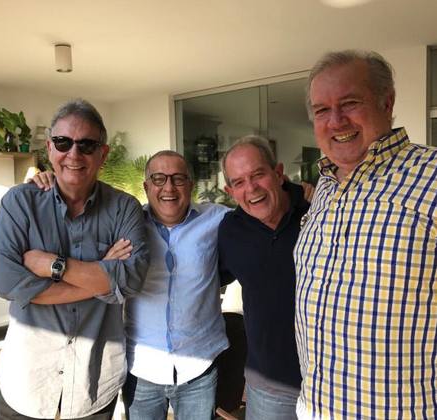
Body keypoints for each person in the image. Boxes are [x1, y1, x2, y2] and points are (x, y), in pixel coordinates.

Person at [31, 150, 230, 419]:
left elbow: (257, 216)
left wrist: (291, 191)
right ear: (146, 187)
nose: (168, 188)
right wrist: (51, 183)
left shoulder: (217, 219)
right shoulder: (125, 225)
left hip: (199, 364)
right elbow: (77, 215)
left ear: (190, 185)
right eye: (158, 179)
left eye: (178, 179)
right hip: (141, 365)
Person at [295, 50, 437, 419]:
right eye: (321, 110)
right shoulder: (325, 187)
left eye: (350, 103)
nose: (335, 120)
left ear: (386, 102)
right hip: (314, 408)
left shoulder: (432, 177)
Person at [0, 98, 149, 419]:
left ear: (103, 154)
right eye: (63, 142)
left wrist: (51, 265)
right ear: (49, 148)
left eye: (87, 145)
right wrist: (103, 276)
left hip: (94, 381)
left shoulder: (124, 208)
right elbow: (7, 283)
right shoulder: (20, 203)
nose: (74, 153)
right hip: (27, 381)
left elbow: (131, 279)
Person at [218, 135, 310, 420]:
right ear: (230, 191)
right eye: (239, 182)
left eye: (258, 174)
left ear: (279, 173)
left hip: (333, 379)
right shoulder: (230, 231)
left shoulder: (318, 212)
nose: (251, 188)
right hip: (270, 386)